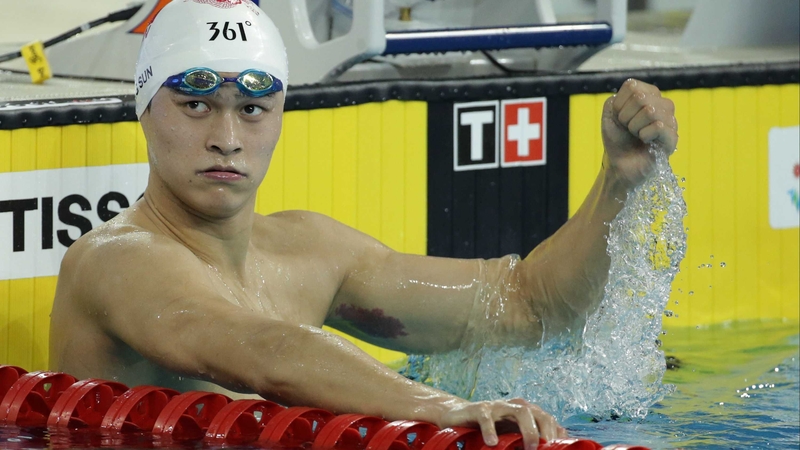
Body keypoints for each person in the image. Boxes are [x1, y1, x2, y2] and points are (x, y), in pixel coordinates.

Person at [49, 0, 678, 448]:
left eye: (253, 108)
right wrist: (442, 409)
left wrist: (617, 180)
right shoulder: (117, 260)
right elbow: (265, 351)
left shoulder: (310, 254)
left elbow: (526, 306)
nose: (227, 138)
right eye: (195, 105)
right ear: (144, 109)